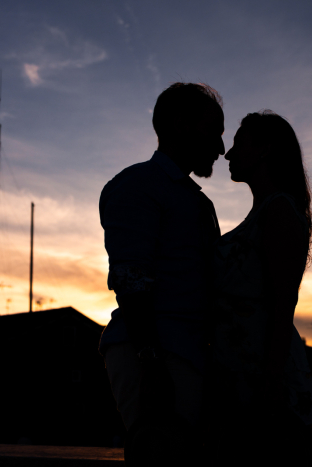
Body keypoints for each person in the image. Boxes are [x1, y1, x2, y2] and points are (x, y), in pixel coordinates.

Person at [209, 111, 312, 467]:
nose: (228, 154)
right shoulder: (265, 211)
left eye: (239, 143)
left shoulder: (279, 212)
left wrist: (271, 380)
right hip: (241, 368)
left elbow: (282, 302)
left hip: (260, 370)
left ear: (264, 149)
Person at [98, 82, 225, 464]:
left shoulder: (197, 202)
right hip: (155, 358)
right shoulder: (137, 186)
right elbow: (131, 279)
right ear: (181, 124)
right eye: (213, 131)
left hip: (184, 354)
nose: (220, 148)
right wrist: (151, 367)